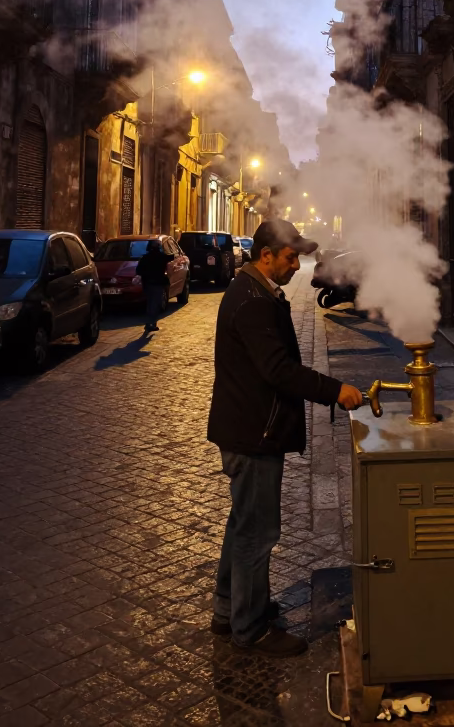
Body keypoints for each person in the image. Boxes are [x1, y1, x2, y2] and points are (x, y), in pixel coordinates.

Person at [207, 218, 365, 657]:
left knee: (242, 524)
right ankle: (251, 627)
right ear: (266, 256)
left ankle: (228, 611)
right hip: (254, 433)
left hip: (247, 427)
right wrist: (335, 390)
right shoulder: (253, 299)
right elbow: (277, 370)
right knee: (258, 533)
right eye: (291, 257)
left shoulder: (255, 291)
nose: (298, 265)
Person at [136, 239, 168, 333]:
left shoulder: (145, 258)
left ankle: (149, 322)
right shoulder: (162, 257)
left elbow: (139, 270)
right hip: (157, 283)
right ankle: (151, 323)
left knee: (150, 303)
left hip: (147, 283)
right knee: (155, 303)